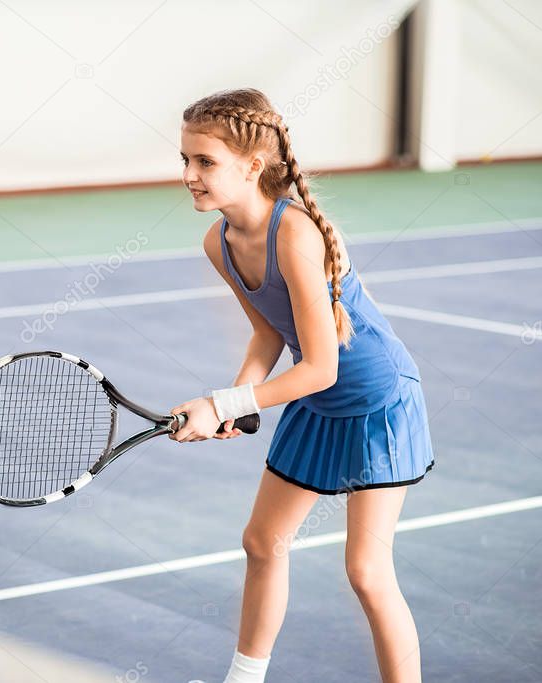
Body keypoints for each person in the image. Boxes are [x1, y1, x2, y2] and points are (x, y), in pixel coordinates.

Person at [172, 88, 433, 683]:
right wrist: (237, 400)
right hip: (316, 407)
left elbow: (321, 366)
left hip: (377, 402)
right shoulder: (219, 242)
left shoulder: (296, 234)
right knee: (262, 543)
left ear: (252, 165)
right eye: (184, 160)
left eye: (204, 162)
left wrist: (223, 404)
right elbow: (268, 332)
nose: (188, 175)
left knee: (366, 570)